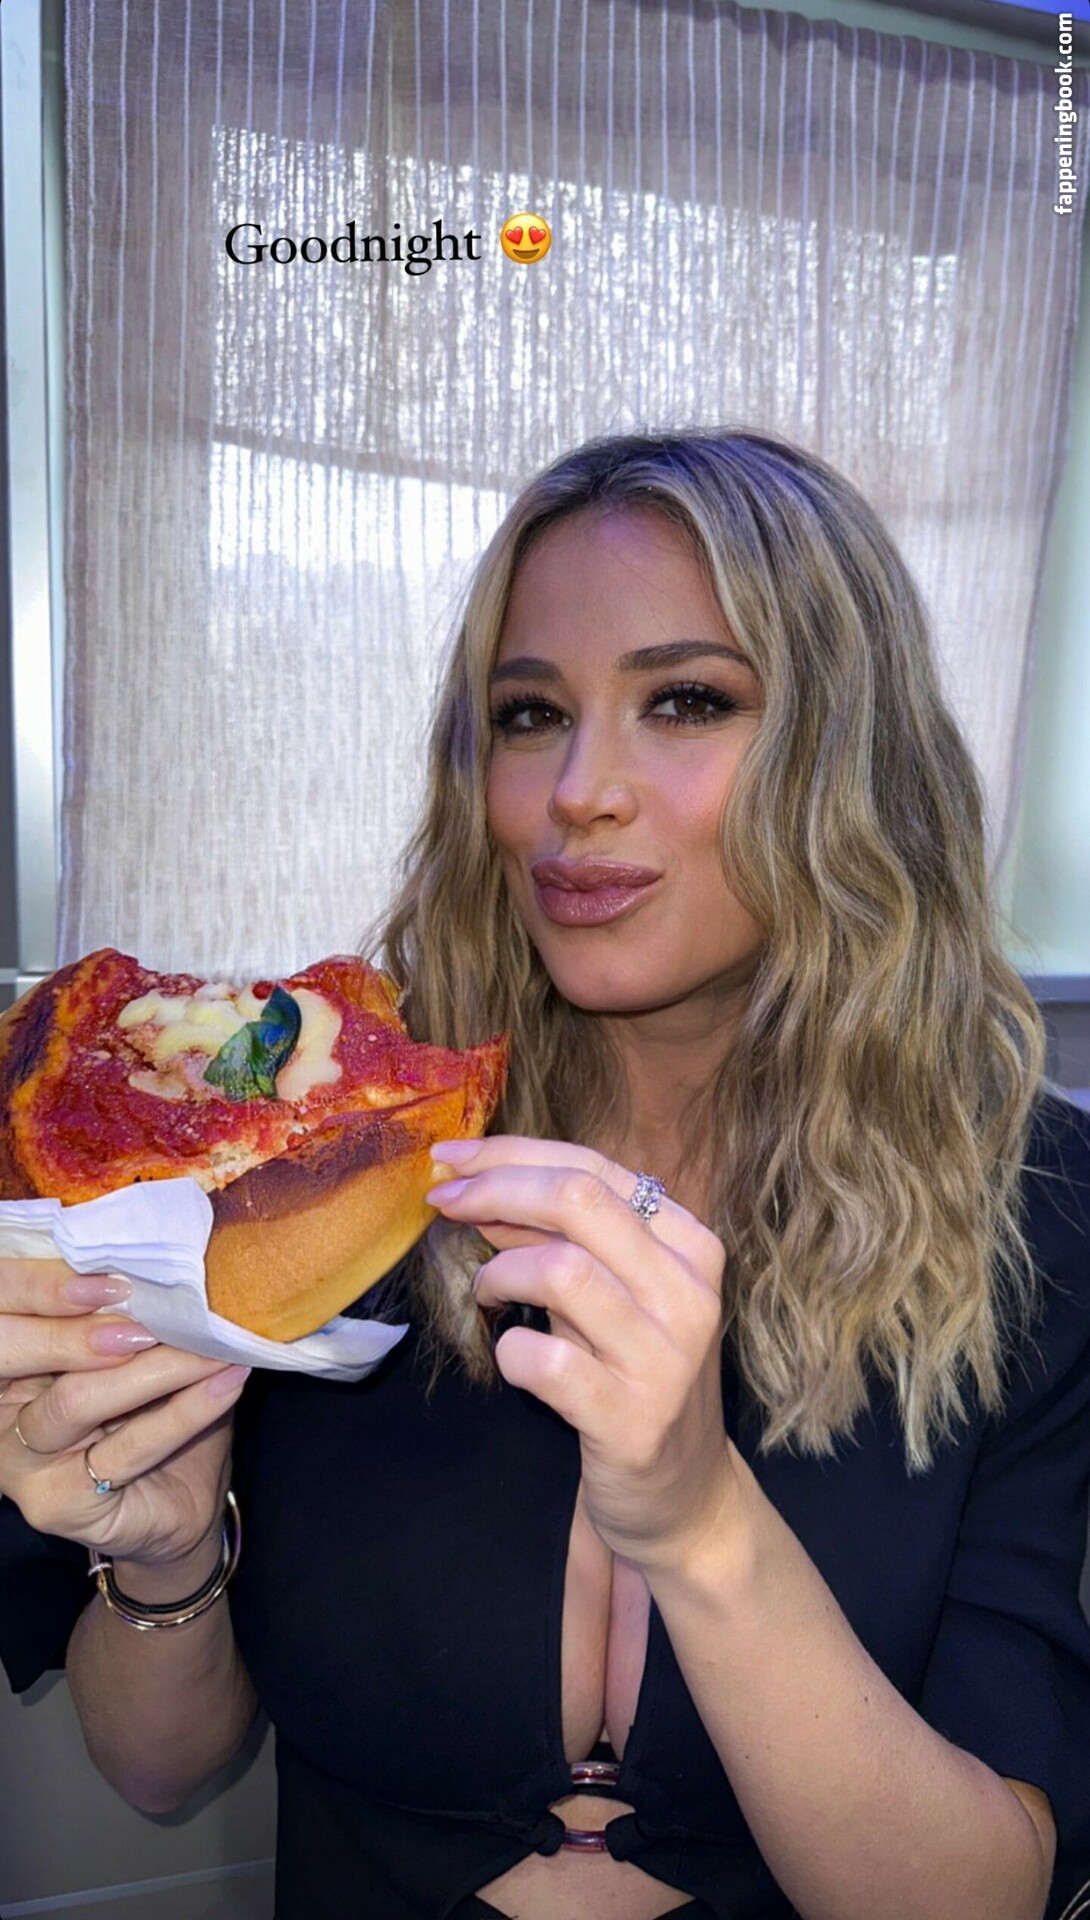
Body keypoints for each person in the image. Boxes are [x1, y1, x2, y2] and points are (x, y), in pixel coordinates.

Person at [1, 426, 1089, 1920]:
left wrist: (701, 1524)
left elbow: (980, 1896)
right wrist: (171, 1550)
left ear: (851, 754)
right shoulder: (317, 1151)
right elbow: (158, 1767)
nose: (579, 790)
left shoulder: (1031, 1208)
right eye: (529, 715)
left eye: (686, 700)